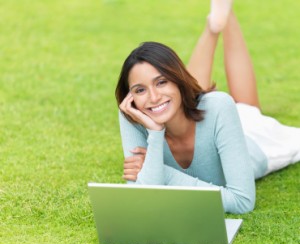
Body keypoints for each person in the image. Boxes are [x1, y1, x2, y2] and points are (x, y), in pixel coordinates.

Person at [115, 1, 300, 214]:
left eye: (162, 81)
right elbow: (144, 198)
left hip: (256, 141)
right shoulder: (133, 115)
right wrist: (155, 134)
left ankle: (221, 21)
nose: (152, 97)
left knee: (249, 110)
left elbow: (242, 201)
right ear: (130, 97)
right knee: (178, 100)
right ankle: (218, 21)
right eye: (139, 90)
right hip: (202, 118)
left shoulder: (219, 105)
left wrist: (161, 173)